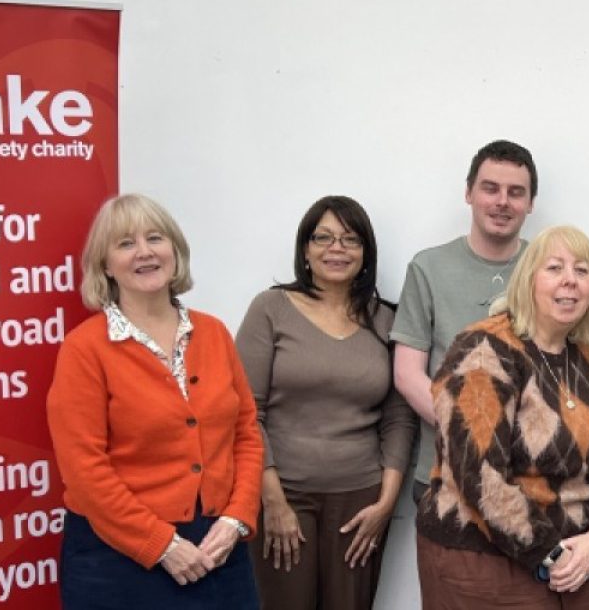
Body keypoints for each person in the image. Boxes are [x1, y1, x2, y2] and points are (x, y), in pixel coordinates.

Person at [47, 193, 263, 609]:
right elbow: (84, 470)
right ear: (105, 265)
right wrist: (160, 543)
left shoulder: (214, 333)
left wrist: (237, 518)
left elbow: (246, 435)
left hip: (218, 549)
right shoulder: (84, 349)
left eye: (155, 238)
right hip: (119, 557)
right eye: (125, 244)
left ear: (175, 251)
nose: (144, 252)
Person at [415, 226, 589, 609]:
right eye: (554, 268)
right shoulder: (484, 349)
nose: (570, 280)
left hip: (584, 559)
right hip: (486, 560)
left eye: (583, 271)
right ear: (527, 279)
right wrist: (551, 554)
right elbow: (478, 473)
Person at [236, 196, 417, 609]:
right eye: (324, 237)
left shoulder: (387, 319)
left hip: (361, 501)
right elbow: (246, 410)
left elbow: (398, 419)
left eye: (350, 240)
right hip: (283, 495)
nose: (337, 249)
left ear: (366, 252)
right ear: (305, 248)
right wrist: (273, 502)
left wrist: (386, 504)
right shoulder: (271, 309)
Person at [392, 139, 538, 502]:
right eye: (490, 188)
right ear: (469, 193)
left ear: (530, 203)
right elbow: (407, 375)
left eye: (515, 192)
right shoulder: (428, 267)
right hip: (443, 474)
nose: (502, 201)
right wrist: (470, 431)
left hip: (530, 479)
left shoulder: (549, 269)